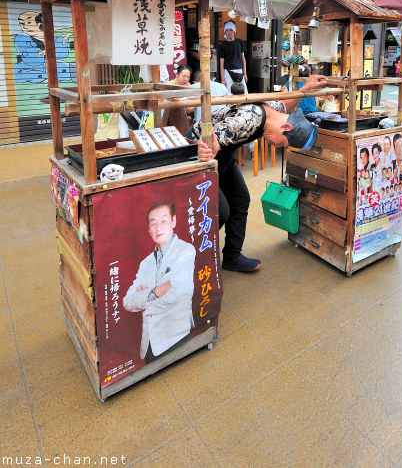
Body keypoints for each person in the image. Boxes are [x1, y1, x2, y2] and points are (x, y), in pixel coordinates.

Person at [191, 74, 328, 272]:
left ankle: (231, 256)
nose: (275, 146)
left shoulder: (276, 111)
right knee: (220, 212)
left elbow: (287, 103)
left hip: (223, 156)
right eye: (282, 143)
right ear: (286, 127)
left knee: (240, 199)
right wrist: (203, 149)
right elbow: (207, 139)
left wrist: (306, 87)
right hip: (198, 156)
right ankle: (192, 259)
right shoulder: (247, 120)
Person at [123, 202, 195, 363]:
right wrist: (155, 292)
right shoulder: (145, 263)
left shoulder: (186, 251)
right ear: (149, 230)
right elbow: (127, 302)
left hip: (177, 335)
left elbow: (179, 295)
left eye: (163, 221)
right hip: (150, 343)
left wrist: (144, 298)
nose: (158, 227)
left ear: (174, 221)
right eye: (153, 224)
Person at [218, 20, 248, 93]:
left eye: (231, 30)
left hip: (239, 70)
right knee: (228, 91)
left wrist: (245, 73)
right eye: (227, 30)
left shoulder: (239, 42)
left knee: (244, 91)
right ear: (225, 32)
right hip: (228, 71)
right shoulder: (223, 45)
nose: (229, 32)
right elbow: (221, 63)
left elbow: (243, 58)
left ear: (234, 31)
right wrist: (222, 79)